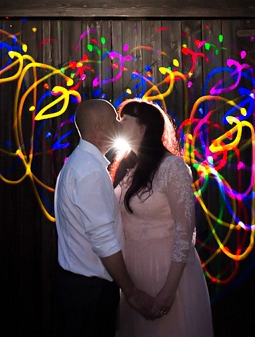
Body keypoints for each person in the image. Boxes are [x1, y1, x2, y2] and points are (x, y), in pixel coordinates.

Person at [54, 99, 157, 336]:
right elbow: (102, 239)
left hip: (78, 286)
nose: (120, 126)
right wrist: (131, 291)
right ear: (99, 127)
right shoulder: (89, 170)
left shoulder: (79, 163)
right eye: (115, 121)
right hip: (90, 291)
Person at [112, 99, 214, 337]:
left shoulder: (172, 167)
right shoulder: (125, 167)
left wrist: (169, 291)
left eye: (124, 120)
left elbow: (184, 230)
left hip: (167, 271)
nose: (118, 124)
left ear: (143, 127)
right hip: (134, 272)